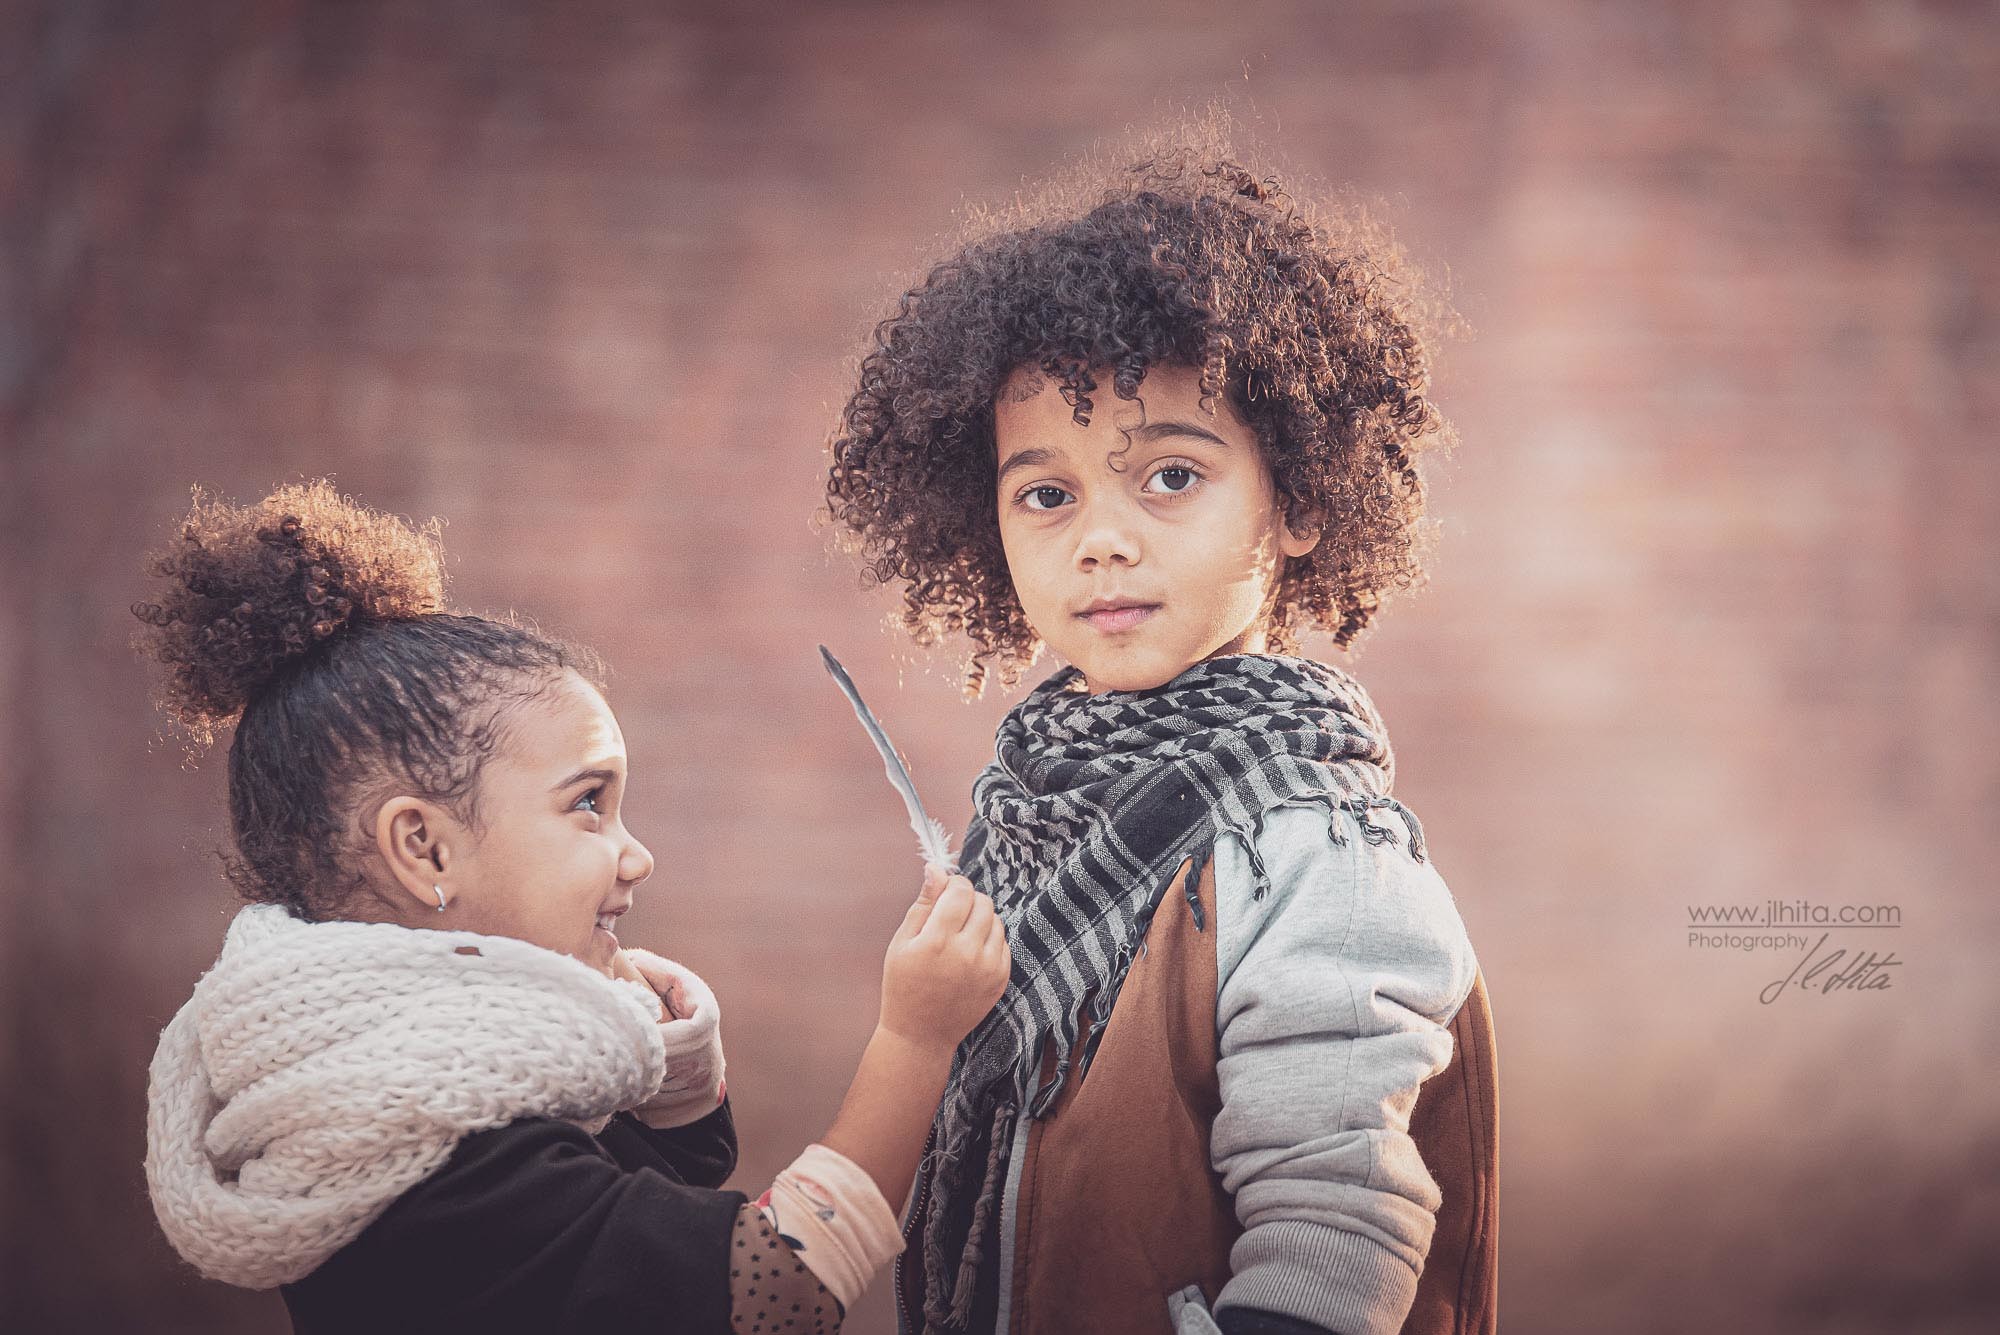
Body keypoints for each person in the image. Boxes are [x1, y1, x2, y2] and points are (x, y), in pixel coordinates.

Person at [824, 130, 1498, 1335]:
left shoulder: (1310, 849)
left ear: (1293, 500)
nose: (1101, 538)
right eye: (1046, 494)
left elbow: (1333, 1235)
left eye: (1169, 477)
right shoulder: (1029, 812)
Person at [133, 480, 1011, 1334]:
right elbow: (777, 1285)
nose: (638, 853)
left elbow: (636, 1210)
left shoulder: (383, 1092)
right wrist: (916, 1038)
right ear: (425, 849)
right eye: (588, 802)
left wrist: (662, 1061)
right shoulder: (442, 1167)